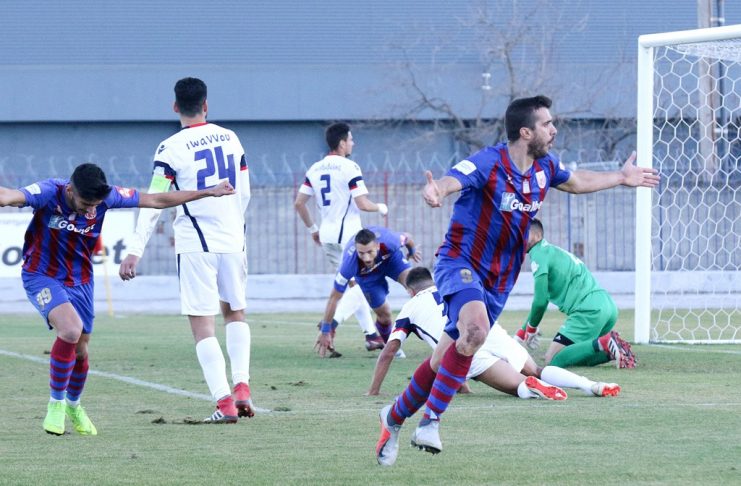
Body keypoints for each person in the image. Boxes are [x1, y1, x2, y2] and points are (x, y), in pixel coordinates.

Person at [375, 94, 659, 466]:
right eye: (547, 124)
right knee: (475, 331)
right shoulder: (489, 161)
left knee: (444, 358)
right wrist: (436, 190)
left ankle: (393, 417)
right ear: (525, 132)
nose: (554, 129)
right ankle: (430, 421)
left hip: (500, 278)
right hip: (459, 261)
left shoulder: (545, 167)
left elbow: (576, 181)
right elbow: (452, 180)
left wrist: (621, 178)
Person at [0, 162, 234, 436]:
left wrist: (208, 192)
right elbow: (8, 196)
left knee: (81, 350)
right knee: (71, 330)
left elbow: (156, 200)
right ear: (71, 191)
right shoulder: (49, 192)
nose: (91, 211)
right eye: (86, 204)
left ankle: (74, 406)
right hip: (42, 275)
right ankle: (56, 404)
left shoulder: (109, 196)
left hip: (81, 280)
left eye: (95, 205)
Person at [118, 77, 254, 424]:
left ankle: (224, 403)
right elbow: (245, 192)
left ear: (175, 106)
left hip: (196, 243)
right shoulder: (231, 137)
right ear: (206, 105)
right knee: (235, 313)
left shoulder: (170, 148)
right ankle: (242, 387)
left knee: (202, 324)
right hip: (233, 239)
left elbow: (155, 200)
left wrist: (135, 249)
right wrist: (235, 227)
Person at [367, 267, 619, 400]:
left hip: (467, 349)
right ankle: (590, 385)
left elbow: (390, 351)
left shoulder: (409, 308)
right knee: (536, 370)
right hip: (490, 332)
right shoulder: (452, 290)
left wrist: (374, 391)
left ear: (410, 291)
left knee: (517, 385)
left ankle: (530, 388)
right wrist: (463, 387)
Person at [294, 123, 389, 351]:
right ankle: (332, 322)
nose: (353, 143)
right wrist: (380, 207)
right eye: (351, 139)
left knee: (353, 284)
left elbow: (299, 203)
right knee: (361, 286)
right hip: (350, 237)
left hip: (327, 235)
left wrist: (313, 229)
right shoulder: (350, 166)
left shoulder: (315, 168)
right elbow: (362, 203)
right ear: (342, 143)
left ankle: (371, 335)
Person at [514, 219, 636, 368]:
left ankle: (605, 342)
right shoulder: (551, 251)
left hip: (588, 310)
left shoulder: (538, 254)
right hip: (607, 307)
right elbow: (542, 301)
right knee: (577, 354)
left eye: (522, 233)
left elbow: (540, 301)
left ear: (537, 235)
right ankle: (611, 350)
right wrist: (522, 333)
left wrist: (531, 328)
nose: (518, 237)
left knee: (553, 360)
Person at [315, 226, 422, 357]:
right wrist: (326, 330)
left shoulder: (390, 241)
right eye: (361, 253)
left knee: (416, 286)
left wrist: (412, 251)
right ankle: (392, 349)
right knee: (384, 315)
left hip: (391, 261)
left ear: (377, 246)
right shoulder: (348, 264)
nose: (366, 258)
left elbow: (408, 237)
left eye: (370, 252)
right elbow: (334, 297)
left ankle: (433, 328)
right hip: (367, 276)